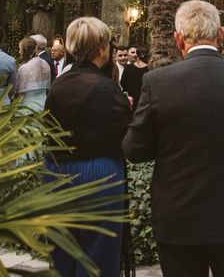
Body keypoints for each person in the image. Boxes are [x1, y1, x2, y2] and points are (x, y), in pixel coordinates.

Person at [123, 0, 224, 277]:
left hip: (178, 216)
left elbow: (134, 150)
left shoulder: (157, 82)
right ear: (220, 34)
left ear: (178, 39)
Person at [44, 17, 131, 276]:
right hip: (99, 174)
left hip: (56, 173)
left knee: (62, 252)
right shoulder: (107, 88)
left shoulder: (58, 86)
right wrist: (126, 107)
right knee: (98, 256)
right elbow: (124, 136)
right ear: (102, 49)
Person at [16, 37, 51, 113]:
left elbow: (20, 93)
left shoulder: (24, 68)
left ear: (24, 50)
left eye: (20, 49)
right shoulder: (45, 64)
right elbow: (48, 88)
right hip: (43, 106)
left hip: (27, 108)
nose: (19, 52)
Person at [120, 46, 149, 112]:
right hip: (145, 103)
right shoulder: (150, 69)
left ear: (137, 54)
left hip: (131, 101)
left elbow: (123, 83)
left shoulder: (128, 68)